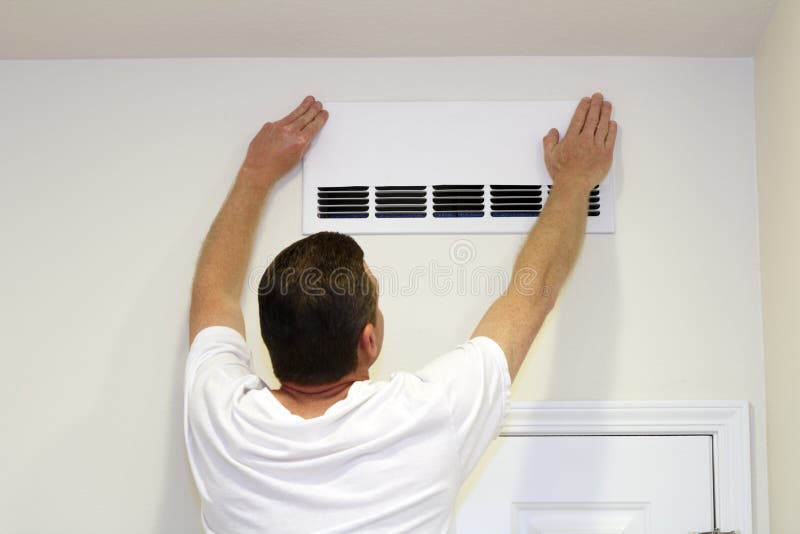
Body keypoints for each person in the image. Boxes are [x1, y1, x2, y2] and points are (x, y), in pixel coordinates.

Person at [184, 93, 617, 533]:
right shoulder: (427, 415)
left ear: (270, 336)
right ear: (369, 341)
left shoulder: (222, 422)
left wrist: (255, 173)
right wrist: (575, 181)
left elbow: (214, 295)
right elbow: (532, 294)